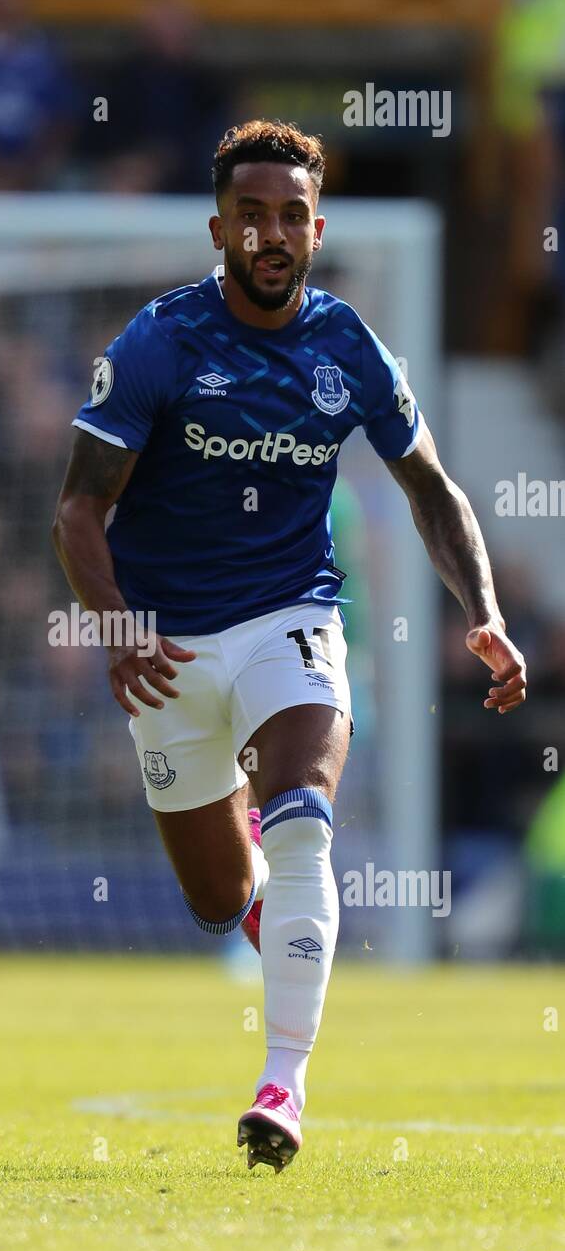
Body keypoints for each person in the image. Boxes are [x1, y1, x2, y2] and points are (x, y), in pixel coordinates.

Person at [52, 120, 527, 1172]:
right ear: (220, 227)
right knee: (221, 900)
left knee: (303, 818)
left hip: (290, 617)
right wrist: (118, 621)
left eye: (290, 216)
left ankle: (282, 1084)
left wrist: (481, 610)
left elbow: (432, 492)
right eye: (251, 215)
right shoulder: (157, 343)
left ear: (317, 227)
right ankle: (271, 920)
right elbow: (78, 512)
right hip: (167, 648)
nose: (271, 234)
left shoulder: (349, 348)